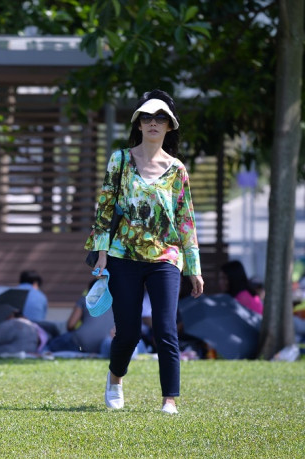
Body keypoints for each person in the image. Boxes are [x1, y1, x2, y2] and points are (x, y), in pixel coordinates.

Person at [84, 89, 204, 415]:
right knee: (129, 333)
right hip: (123, 255)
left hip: (165, 257)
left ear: (170, 125)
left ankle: (169, 399)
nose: (153, 123)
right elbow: (105, 208)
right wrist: (102, 252)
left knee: (166, 329)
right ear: (138, 124)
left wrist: (194, 266)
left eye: (160, 118)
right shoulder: (120, 159)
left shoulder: (178, 169)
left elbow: (186, 219)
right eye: (147, 117)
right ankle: (115, 378)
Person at [44, 279, 115, 356]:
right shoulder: (116, 303)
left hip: (80, 342)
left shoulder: (85, 300)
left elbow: (71, 325)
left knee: (51, 344)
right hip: (101, 345)